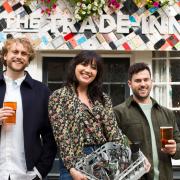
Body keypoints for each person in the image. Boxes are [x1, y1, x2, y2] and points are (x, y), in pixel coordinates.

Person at [48, 50, 130, 180]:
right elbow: (62, 136)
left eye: (93, 67)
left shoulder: (103, 98)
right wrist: (72, 168)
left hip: (104, 160)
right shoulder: (59, 97)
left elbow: (114, 132)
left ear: (97, 73)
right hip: (75, 160)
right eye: (84, 64)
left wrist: (132, 155)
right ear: (75, 66)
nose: (88, 70)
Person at [0, 37, 57, 180]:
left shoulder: (42, 91)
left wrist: (40, 171)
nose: (19, 56)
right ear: (5, 55)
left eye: (24, 53)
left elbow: (51, 136)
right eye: (15, 52)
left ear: (28, 59)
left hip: (27, 175)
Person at [114, 62, 180, 180]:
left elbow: (178, 144)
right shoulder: (119, 113)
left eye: (146, 79)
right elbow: (114, 150)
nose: (143, 84)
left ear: (151, 82)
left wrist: (175, 149)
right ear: (130, 83)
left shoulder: (167, 113)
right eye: (138, 81)